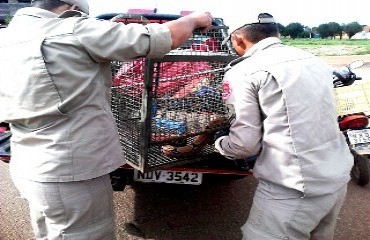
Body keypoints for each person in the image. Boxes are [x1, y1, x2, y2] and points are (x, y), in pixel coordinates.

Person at [0, 0, 213, 239]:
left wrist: (106, 29)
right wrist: (195, 19)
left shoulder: (8, 36)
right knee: (85, 234)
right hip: (71, 169)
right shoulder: (75, 28)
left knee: (50, 231)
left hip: (28, 159)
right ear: (73, 9)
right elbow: (168, 36)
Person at [214, 13, 354, 240]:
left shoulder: (243, 71)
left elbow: (244, 146)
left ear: (239, 38)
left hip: (293, 188)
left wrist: (220, 142)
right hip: (336, 176)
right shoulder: (312, 59)